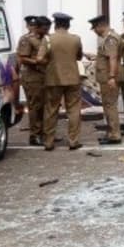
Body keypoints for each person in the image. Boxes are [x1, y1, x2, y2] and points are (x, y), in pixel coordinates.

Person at [40, 12, 84, 151]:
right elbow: (79, 57)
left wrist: (50, 62)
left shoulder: (47, 39)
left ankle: (49, 142)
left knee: (51, 110)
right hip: (73, 78)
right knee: (74, 110)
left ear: (55, 24)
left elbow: (39, 59)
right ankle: (73, 141)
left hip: (53, 79)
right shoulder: (76, 39)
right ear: (68, 25)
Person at [87, 15, 123, 145]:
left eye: (95, 28)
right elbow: (107, 57)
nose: (94, 31)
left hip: (109, 78)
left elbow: (113, 58)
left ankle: (114, 135)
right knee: (108, 105)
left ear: (101, 26)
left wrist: (112, 77)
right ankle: (111, 132)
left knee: (110, 106)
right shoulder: (108, 39)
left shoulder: (110, 39)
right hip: (107, 77)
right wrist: (96, 57)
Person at [16, 16, 47, 146]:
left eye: (36, 26)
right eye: (32, 25)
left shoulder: (45, 38)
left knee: (44, 106)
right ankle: (35, 135)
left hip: (44, 76)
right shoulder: (26, 40)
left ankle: (45, 133)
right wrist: (37, 62)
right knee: (35, 106)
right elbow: (22, 58)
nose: (34, 28)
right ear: (28, 26)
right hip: (32, 77)